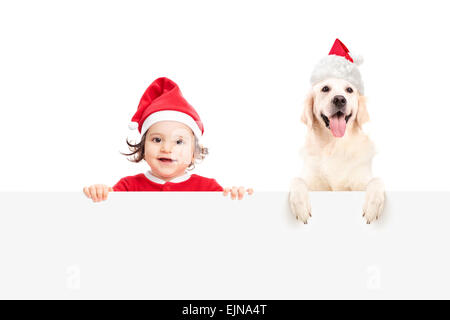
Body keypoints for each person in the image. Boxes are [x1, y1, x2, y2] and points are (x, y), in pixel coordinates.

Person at [83, 77, 253, 202]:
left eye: (179, 142)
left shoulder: (209, 189)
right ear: (142, 147)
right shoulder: (128, 187)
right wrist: (100, 194)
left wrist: (236, 197)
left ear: (194, 152)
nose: (166, 148)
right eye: (157, 140)